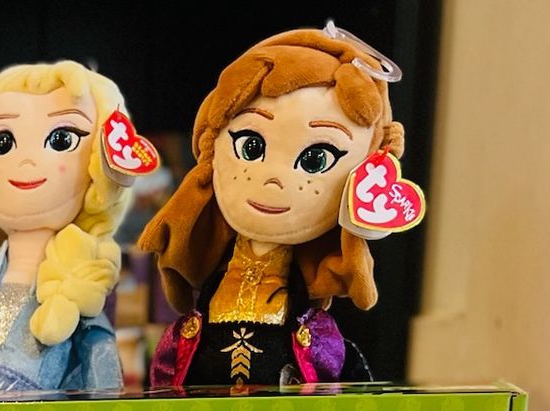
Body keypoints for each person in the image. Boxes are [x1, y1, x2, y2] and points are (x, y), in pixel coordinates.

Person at [137, 25, 406, 391]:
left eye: (315, 159)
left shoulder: (321, 338)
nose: (273, 179)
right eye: (251, 147)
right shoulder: (188, 326)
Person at [0, 60, 139, 395]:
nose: (26, 160)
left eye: (62, 139)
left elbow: (104, 393)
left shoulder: (79, 290)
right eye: (3, 142)